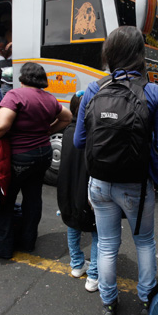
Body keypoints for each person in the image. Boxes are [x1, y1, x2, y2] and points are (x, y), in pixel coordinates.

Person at [74, 26, 158, 315]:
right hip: (137, 186)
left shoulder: (93, 89)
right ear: (140, 55)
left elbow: (79, 141)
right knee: (144, 241)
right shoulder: (152, 92)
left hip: (100, 184)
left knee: (106, 243)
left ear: (109, 54)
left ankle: (108, 301)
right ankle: (146, 300)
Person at [0, 62, 72, 259]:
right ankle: (28, 243)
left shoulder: (15, 95)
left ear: (22, 79)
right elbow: (67, 117)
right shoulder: (49, 99)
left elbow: (1, 126)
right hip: (44, 154)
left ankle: (3, 248)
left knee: (6, 201)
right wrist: (48, 131)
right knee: (33, 199)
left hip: (20, 156)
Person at [57, 91, 99, 292]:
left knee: (72, 226)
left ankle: (76, 265)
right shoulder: (94, 134)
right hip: (89, 194)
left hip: (68, 191)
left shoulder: (67, 131)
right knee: (98, 233)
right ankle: (94, 276)